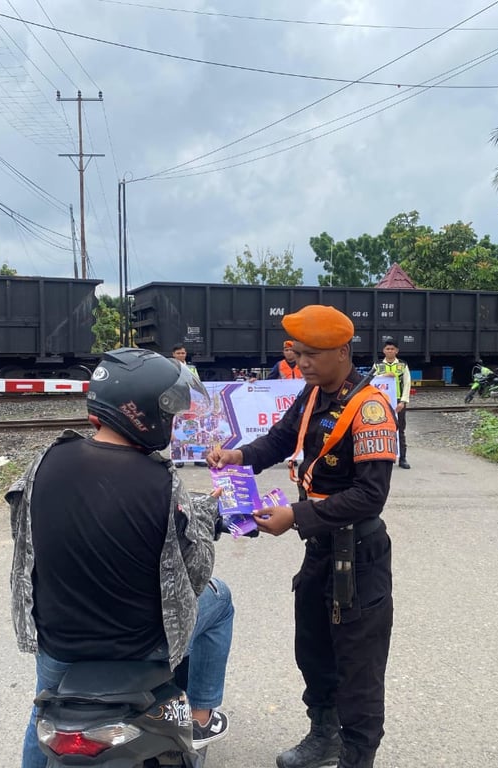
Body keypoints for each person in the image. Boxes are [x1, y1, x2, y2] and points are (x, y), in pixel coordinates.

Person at [8, 348, 234, 768]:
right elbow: (194, 575)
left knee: (43, 712)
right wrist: (203, 519)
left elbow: (26, 541)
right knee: (221, 601)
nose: (172, 420)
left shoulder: (44, 462)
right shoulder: (161, 482)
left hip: (59, 643)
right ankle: (201, 717)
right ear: (144, 413)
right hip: (140, 646)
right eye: (168, 412)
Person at [208, 305, 397, 768]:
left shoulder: (371, 409)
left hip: (360, 555)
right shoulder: (312, 394)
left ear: (343, 352)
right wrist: (238, 457)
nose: (302, 362)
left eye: (313, 354)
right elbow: (278, 440)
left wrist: (296, 515)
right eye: (299, 353)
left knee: (358, 668)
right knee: (313, 652)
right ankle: (324, 738)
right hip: (321, 549)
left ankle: (357, 757)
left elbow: (370, 496)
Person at [373, 339, 412, 469]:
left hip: (398, 402)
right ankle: (380, 458)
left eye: (392, 349)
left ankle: (402, 458)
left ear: (397, 351)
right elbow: (371, 380)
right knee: (380, 429)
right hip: (382, 402)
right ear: (383, 351)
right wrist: (384, 375)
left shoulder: (402, 365)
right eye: (388, 349)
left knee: (399, 429)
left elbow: (407, 383)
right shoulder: (378, 365)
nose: (390, 351)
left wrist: (403, 402)